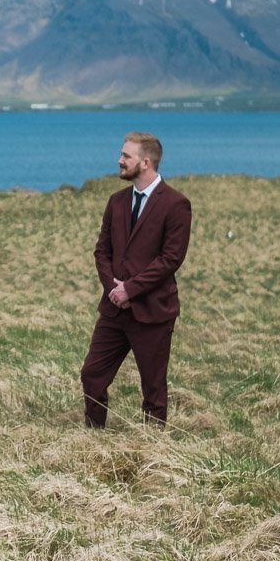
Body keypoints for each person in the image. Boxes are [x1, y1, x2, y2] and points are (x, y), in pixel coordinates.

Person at [80, 131, 190, 428]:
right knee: (92, 375)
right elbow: (102, 251)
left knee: (153, 388)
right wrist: (114, 290)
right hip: (114, 310)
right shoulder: (116, 201)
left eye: (125, 156)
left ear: (145, 162)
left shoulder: (176, 204)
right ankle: (93, 436)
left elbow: (171, 259)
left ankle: (154, 451)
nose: (119, 160)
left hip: (153, 312)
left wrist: (131, 289)